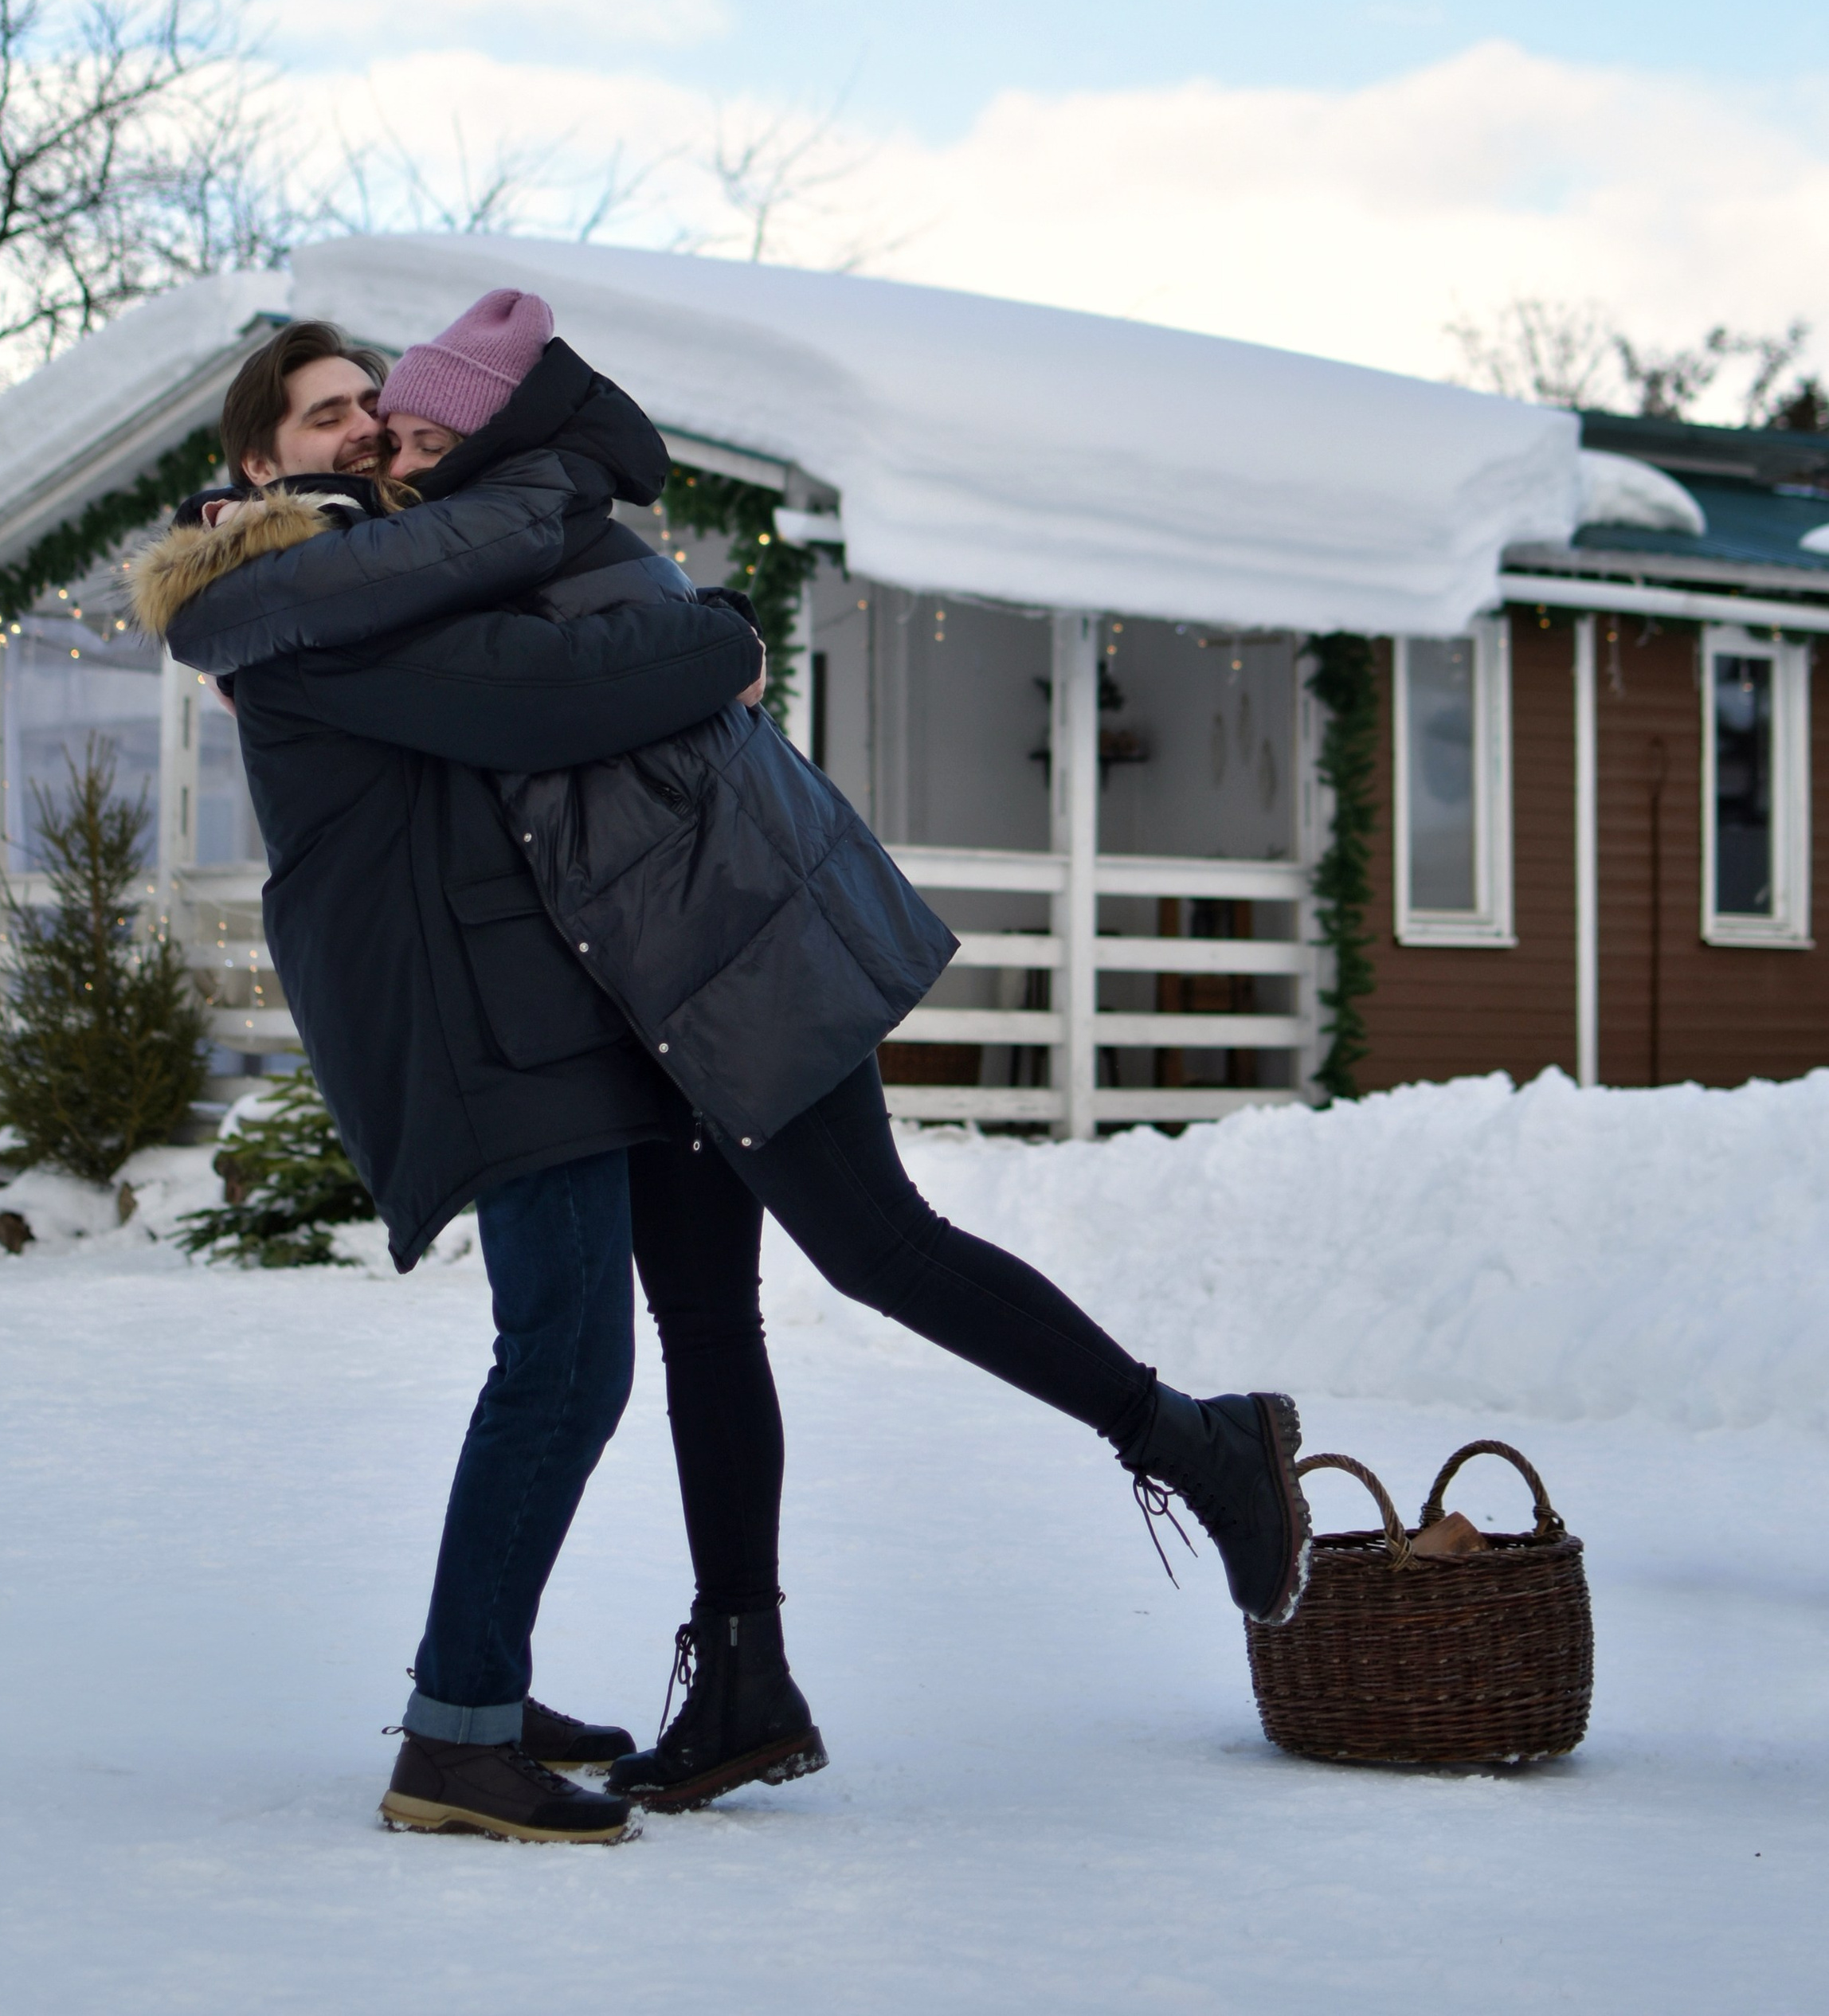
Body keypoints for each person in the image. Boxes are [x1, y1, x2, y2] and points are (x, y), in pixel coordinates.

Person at [143, 292, 1315, 1832]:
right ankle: (745, 1679)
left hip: (727, 922)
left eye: (386, 407)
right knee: (704, 1313)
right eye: (334, 417)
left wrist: (703, 643)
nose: (372, 432)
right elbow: (539, 687)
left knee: (874, 1242)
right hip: (643, 967)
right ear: (256, 458)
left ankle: (1197, 1441)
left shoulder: (451, 536)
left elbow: (567, 685)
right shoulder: (353, 576)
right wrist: (706, 643)